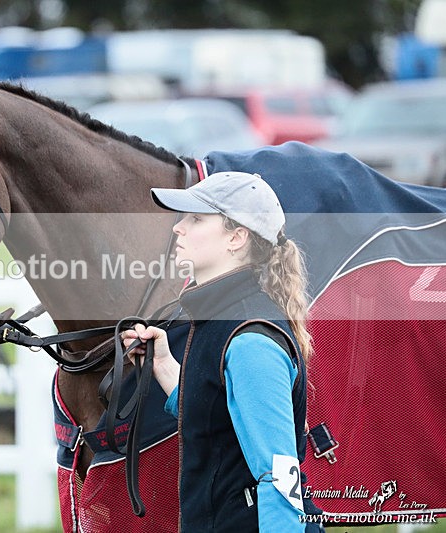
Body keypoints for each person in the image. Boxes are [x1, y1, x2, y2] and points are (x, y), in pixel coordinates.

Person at [122, 171, 323, 532]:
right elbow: (219, 418)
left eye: (196, 219)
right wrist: (165, 365)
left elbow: (280, 477)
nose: (178, 228)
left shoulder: (249, 340)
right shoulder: (219, 316)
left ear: (237, 237)